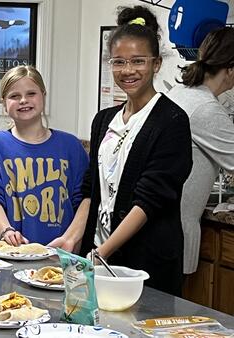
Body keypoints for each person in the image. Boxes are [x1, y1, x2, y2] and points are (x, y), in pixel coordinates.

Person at [50, 5, 193, 296]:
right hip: (98, 252)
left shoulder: (172, 121)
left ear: (156, 64)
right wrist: (73, 237)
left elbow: (149, 201)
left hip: (146, 262)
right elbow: (92, 190)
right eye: (118, 62)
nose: (127, 71)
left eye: (138, 61)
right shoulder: (104, 120)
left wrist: (103, 252)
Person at [0, 65, 89, 247]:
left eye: (31, 93)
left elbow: (83, 199)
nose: (23, 100)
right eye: (14, 96)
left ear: (44, 95)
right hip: (10, 251)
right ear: (4, 103)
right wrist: (6, 231)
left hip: (61, 252)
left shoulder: (71, 146)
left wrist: (71, 240)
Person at [166, 27, 234, 275]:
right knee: (173, 312)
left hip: (162, 227)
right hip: (175, 231)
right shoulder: (205, 109)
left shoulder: (181, 92)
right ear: (230, 69)